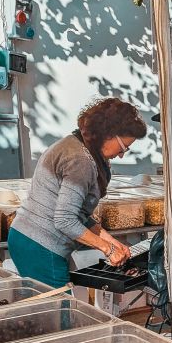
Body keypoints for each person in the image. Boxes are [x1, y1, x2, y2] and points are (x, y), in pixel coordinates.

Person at [9, 98, 146, 287]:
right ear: (108, 134)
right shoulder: (80, 160)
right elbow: (65, 220)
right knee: (60, 311)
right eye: (123, 147)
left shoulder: (81, 146)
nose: (122, 154)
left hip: (29, 238)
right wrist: (107, 249)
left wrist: (112, 242)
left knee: (49, 309)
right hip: (39, 244)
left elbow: (79, 214)